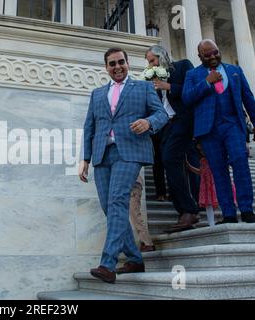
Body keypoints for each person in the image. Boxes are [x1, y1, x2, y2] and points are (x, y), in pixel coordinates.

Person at [78, 47, 168, 284]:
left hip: (130, 153)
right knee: (110, 209)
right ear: (106, 67)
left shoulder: (143, 88)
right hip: (101, 155)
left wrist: (148, 122)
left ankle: (107, 263)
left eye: (121, 62)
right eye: (111, 64)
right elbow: (89, 128)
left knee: (118, 200)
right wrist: (85, 159)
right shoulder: (97, 94)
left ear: (128, 63)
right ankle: (135, 257)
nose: (117, 67)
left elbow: (162, 114)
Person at [182, 39, 255, 224]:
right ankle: (229, 214)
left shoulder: (235, 71)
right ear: (200, 57)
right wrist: (206, 82)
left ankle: (247, 209)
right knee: (219, 170)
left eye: (215, 52)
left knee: (240, 162)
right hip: (208, 130)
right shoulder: (193, 74)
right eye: (208, 55)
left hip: (233, 125)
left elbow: (248, 98)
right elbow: (186, 98)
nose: (213, 56)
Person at [144, 45, 200, 233]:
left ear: (161, 56)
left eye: (152, 60)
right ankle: (183, 210)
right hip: (166, 126)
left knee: (170, 159)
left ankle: (190, 209)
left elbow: (195, 90)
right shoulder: (154, 80)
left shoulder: (183, 66)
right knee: (168, 163)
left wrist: (168, 86)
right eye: (148, 62)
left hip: (183, 120)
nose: (150, 65)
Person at [129, 171, 155, 252]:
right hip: (132, 183)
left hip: (132, 183)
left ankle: (147, 243)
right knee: (135, 216)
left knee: (135, 216)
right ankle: (145, 242)